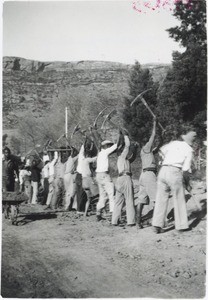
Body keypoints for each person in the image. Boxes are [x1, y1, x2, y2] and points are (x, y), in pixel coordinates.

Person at [152, 131, 196, 233]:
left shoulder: (174, 143)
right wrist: (187, 184)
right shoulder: (189, 150)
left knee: (161, 199)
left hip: (163, 170)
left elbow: (161, 151)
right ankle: (181, 226)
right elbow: (185, 169)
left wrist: (163, 161)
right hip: (175, 171)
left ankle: (157, 225)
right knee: (179, 198)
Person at [135, 118, 162, 228]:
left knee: (141, 199)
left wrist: (162, 136)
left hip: (143, 175)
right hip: (149, 175)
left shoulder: (147, 151)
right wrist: (155, 123)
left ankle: (138, 222)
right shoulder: (146, 147)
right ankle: (156, 221)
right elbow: (153, 135)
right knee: (157, 198)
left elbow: (159, 146)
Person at [112, 132, 136, 226]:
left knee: (118, 202)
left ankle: (114, 221)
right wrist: (126, 135)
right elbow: (128, 145)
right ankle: (131, 221)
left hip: (119, 179)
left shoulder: (121, 159)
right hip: (126, 178)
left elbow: (132, 158)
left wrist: (135, 149)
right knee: (129, 200)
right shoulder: (122, 156)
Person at [95, 138, 118, 221]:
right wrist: (120, 137)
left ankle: (98, 212)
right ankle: (112, 214)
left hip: (98, 175)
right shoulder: (105, 152)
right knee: (112, 194)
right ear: (106, 146)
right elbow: (115, 146)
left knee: (102, 196)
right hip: (104, 175)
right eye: (109, 145)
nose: (109, 147)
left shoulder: (100, 154)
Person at [77, 141, 98, 217]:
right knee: (98, 195)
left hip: (83, 181)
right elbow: (95, 159)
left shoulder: (81, 161)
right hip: (88, 179)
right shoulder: (87, 160)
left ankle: (85, 213)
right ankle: (100, 211)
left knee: (89, 198)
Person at [64, 147, 79, 211]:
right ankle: (71, 206)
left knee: (67, 191)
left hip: (66, 175)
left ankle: (67, 205)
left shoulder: (68, 160)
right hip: (69, 175)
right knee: (72, 191)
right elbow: (79, 155)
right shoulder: (72, 159)